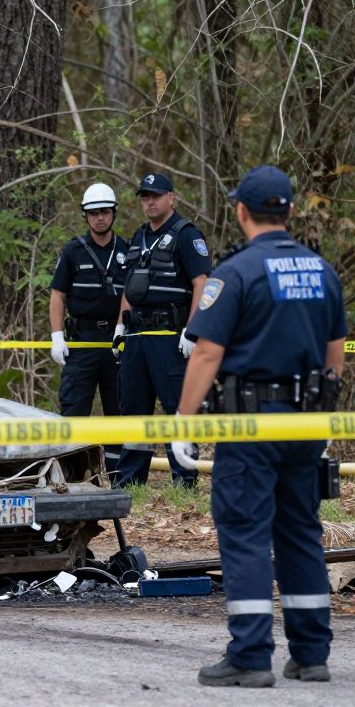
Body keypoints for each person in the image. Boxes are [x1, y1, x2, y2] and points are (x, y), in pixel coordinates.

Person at [172, 165, 345, 687]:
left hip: (248, 424)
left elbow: (206, 353)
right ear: (290, 212)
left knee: (245, 532)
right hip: (307, 422)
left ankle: (250, 656)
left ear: (242, 212)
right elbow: (335, 354)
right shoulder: (323, 272)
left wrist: (183, 425)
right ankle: (311, 655)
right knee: (300, 530)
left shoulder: (237, 273)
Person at [113, 173, 210, 486]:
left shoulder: (186, 234)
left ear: (172, 197)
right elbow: (130, 286)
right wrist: (119, 325)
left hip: (171, 337)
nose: (149, 201)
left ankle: (184, 479)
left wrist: (193, 329)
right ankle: (130, 480)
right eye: (144, 196)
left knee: (177, 409)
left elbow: (203, 283)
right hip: (137, 336)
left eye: (155, 195)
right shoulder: (139, 236)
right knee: (133, 410)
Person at [49, 183, 128, 478]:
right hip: (81, 342)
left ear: (113, 213)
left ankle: (120, 477)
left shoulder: (127, 249)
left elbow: (128, 295)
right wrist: (57, 336)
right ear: (85, 217)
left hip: (115, 343)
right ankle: (72, 475)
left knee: (118, 410)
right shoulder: (72, 251)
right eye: (93, 213)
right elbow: (57, 295)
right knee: (74, 410)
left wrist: (122, 328)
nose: (100, 218)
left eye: (105, 212)